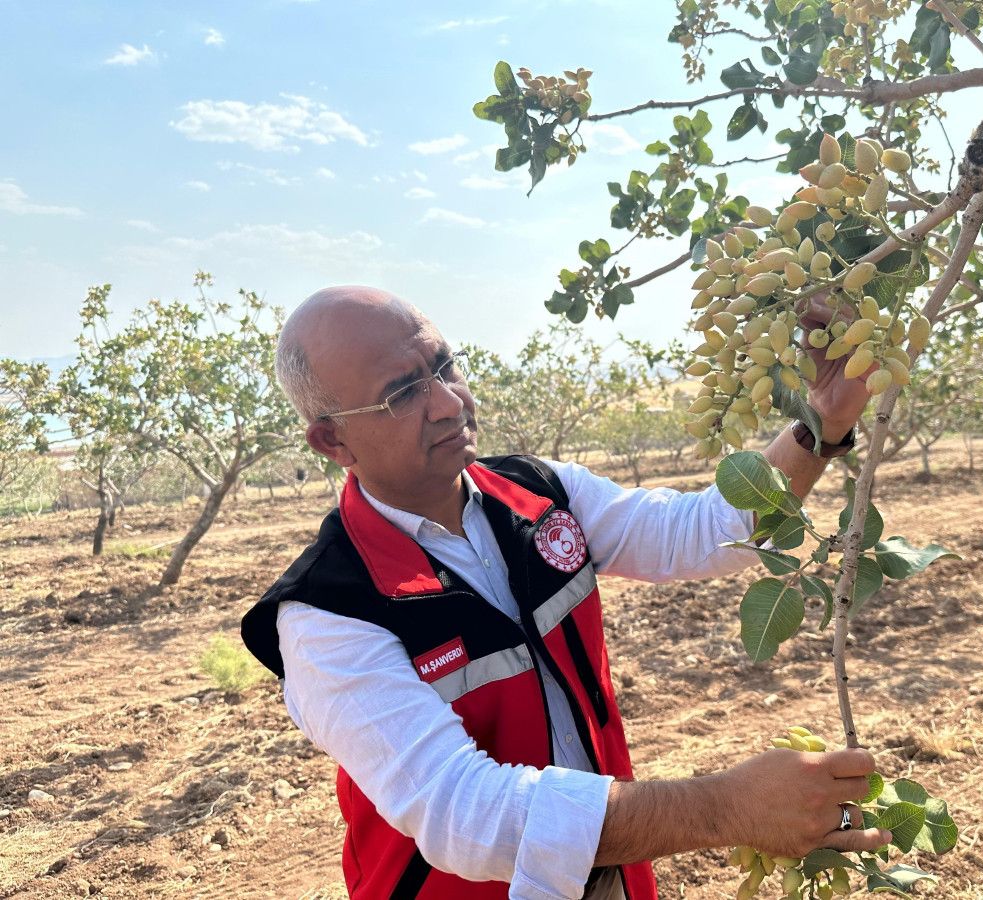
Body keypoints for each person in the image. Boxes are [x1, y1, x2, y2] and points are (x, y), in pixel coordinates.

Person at [241, 286, 890, 900]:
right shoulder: (327, 613)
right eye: (403, 392)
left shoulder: (539, 491)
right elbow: (468, 814)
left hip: (609, 868)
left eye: (444, 366)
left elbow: (700, 533)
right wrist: (726, 806)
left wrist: (821, 421)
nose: (448, 402)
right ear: (332, 440)